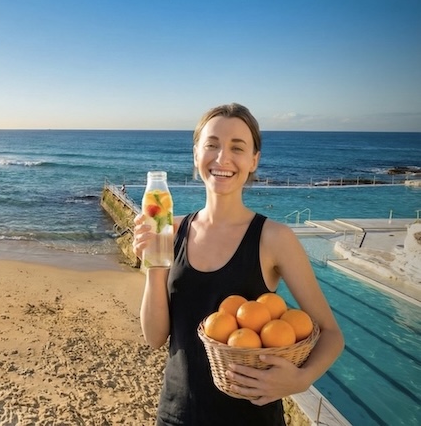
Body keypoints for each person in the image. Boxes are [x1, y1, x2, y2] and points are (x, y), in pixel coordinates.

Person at [135, 103, 344, 425]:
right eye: (212, 145)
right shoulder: (169, 230)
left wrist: (301, 379)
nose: (222, 158)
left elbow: (331, 334)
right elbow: (154, 337)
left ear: (253, 160)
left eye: (237, 147)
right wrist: (154, 264)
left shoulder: (274, 238)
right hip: (177, 414)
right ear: (196, 154)